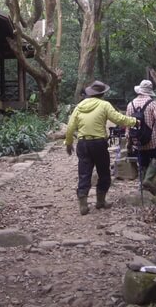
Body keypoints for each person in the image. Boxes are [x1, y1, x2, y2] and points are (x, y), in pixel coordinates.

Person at [65, 80, 138, 215]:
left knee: (84, 173)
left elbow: (70, 127)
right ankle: (100, 201)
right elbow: (119, 119)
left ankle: (83, 204)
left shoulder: (79, 106)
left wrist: (68, 143)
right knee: (103, 172)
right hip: (98, 143)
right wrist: (135, 121)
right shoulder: (104, 105)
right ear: (102, 93)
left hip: (83, 143)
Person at [125, 79, 156, 194]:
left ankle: (143, 187)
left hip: (137, 140)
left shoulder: (130, 104)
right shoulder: (152, 103)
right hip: (152, 139)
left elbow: (127, 125)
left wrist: (129, 140)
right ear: (149, 92)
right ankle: (148, 179)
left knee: (143, 162)